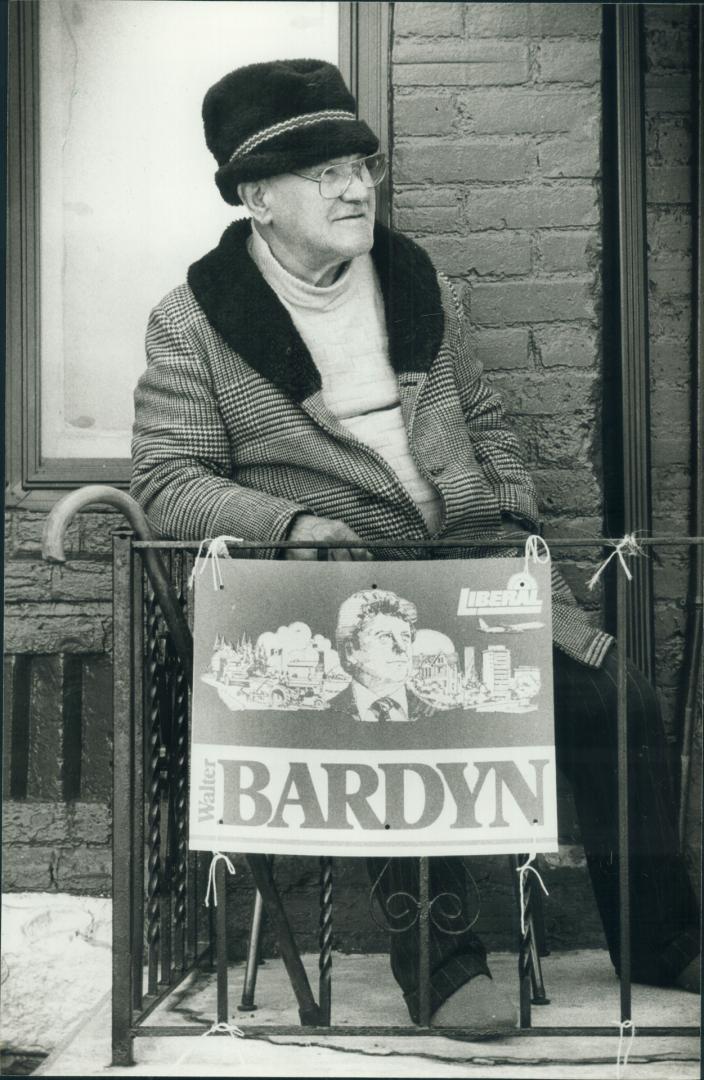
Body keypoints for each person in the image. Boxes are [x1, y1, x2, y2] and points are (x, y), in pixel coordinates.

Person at [131, 58, 700, 1031]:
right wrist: (296, 527)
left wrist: (513, 515)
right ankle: (439, 966)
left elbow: (485, 418)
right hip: (331, 594)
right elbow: (167, 483)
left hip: (473, 574)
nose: (357, 188)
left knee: (618, 702)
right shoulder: (194, 322)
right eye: (325, 174)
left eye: (362, 164)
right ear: (258, 198)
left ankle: (662, 943)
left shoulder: (412, 278)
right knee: (401, 709)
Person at [330, 588, 433, 722]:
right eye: (385, 637)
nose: (402, 647)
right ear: (350, 651)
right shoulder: (328, 713)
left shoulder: (433, 714)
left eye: (406, 637)